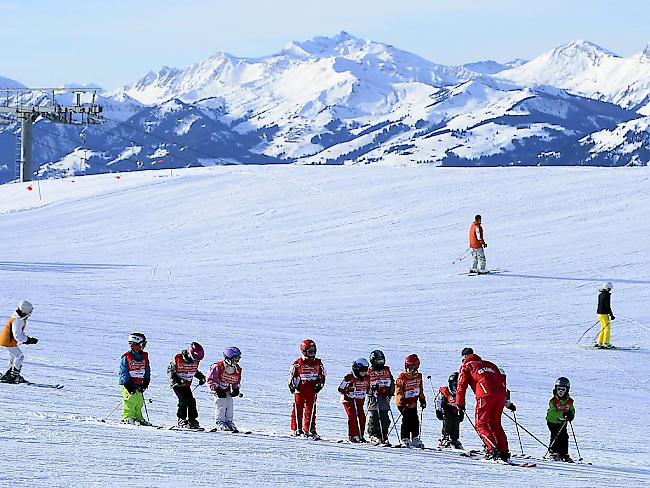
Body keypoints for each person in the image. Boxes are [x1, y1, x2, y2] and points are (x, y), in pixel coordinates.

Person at [456, 347, 510, 461]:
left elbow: (461, 385)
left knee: (481, 424)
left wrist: (460, 403)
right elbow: (502, 380)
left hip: (485, 395)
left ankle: (492, 449)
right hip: (500, 394)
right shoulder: (490, 364)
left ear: (464, 358)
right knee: (495, 423)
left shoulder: (466, 366)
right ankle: (504, 451)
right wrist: (506, 398)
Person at [288, 339, 326, 439]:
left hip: (312, 390)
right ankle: (297, 429)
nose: (312, 354)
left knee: (311, 410)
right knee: (298, 409)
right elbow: (292, 375)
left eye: (314, 351)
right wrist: (292, 385)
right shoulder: (298, 363)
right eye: (310, 351)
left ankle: (310, 429)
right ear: (304, 351)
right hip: (300, 390)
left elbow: (322, 375)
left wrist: (320, 385)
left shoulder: (318, 363)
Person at [168, 342, 206, 429]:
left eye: (197, 360)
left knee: (191, 401)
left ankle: (192, 420)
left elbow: (193, 370)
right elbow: (171, 372)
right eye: (194, 359)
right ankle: (181, 419)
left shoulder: (194, 362)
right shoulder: (177, 359)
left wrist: (201, 377)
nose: (195, 361)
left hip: (186, 385)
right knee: (183, 400)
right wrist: (177, 381)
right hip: (178, 385)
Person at [0, 301, 37, 384]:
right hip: (8, 341)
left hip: (8, 340)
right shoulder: (18, 320)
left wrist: (26, 340)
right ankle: (14, 376)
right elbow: (17, 336)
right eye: (29, 313)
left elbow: (18, 334)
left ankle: (9, 373)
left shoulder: (17, 318)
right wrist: (28, 340)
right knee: (19, 356)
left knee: (13, 356)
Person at [207, 346, 243, 432]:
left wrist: (236, 389)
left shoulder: (237, 369)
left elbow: (236, 380)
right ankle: (220, 421)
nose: (236, 362)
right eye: (234, 359)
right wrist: (216, 389)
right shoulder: (217, 367)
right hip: (218, 388)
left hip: (226, 389)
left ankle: (229, 422)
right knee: (221, 403)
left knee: (229, 403)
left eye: (238, 359)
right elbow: (210, 379)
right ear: (228, 358)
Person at [119, 333, 151, 425]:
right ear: (135, 344)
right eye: (142, 344)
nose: (144, 347)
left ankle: (138, 417)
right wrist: (127, 383)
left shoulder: (144, 356)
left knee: (139, 401)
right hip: (128, 383)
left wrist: (146, 381)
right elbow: (123, 371)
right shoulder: (127, 356)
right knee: (130, 399)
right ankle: (128, 417)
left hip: (139, 382)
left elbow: (147, 369)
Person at [395, 354, 426, 448]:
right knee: (406, 420)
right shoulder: (402, 377)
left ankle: (415, 437)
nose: (411, 370)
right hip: (404, 403)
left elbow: (420, 389)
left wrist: (422, 399)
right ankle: (405, 438)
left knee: (415, 420)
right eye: (409, 367)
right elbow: (399, 390)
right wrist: (402, 401)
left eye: (413, 367)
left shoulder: (418, 376)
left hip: (413, 402)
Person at [366, 349, 395, 445]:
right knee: (374, 418)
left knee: (385, 419)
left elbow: (391, 382)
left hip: (384, 399)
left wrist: (390, 393)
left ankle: (384, 435)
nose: (380, 363)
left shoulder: (386, 371)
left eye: (382, 361)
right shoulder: (369, 372)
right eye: (378, 361)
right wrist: (371, 389)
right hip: (374, 399)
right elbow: (365, 385)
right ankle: (373, 434)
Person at [338, 358, 370, 442]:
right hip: (349, 401)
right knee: (352, 416)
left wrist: (373, 390)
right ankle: (353, 435)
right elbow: (340, 389)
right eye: (362, 371)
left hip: (359, 401)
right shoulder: (349, 378)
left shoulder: (367, 378)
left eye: (365, 371)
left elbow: (368, 388)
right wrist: (348, 390)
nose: (364, 373)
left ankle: (360, 435)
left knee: (362, 417)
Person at [546, 377, 576, 462]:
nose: (561, 391)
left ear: (567, 390)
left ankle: (564, 454)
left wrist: (571, 415)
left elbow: (572, 410)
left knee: (564, 436)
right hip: (552, 421)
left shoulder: (569, 401)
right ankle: (554, 452)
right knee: (556, 435)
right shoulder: (553, 401)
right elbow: (553, 412)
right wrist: (562, 414)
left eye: (563, 389)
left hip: (562, 422)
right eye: (559, 389)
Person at [435, 372, 465, 449]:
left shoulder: (460, 393)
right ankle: (445, 437)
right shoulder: (445, 391)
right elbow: (438, 400)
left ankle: (454, 439)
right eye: (454, 384)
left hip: (455, 409)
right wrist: (438, 410)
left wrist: (461, 412)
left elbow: (462, 402)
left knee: (456, 422)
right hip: (446, 408)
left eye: (458, 385)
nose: (456, 387)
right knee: (448, 421)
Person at [596, 281, 615, 348]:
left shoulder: (600, 294)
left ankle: (600, 342)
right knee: (607, 328)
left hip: (599, 313)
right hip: (604, 314)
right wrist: (611, 315)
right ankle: (606, 343)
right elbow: (607, 306)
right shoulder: (606, 295)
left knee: (603, 328)